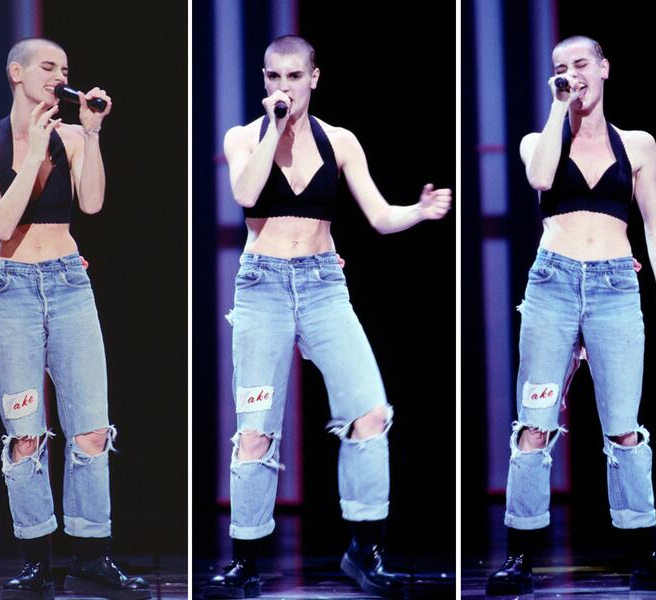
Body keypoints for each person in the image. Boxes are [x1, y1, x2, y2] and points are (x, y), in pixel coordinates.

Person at [204, 35, 451, 599]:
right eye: (272, 78)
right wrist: (271, 127)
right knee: (254, 432)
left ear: (314, 78)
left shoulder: (340, 141)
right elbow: (244, 194)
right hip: (262, 287)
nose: (282, 88)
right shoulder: (244, 136)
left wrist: (419, 211)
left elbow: (381, 215)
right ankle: (245, 561)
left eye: (293, 77)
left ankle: (365, 553)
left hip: (322, 286)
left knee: (370, 413)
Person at [485, 36, 656, 595]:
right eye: (560, 68)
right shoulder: (542, 138)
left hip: (614, 288)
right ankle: (520, 557)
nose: (572, 74)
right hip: (553, 284)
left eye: (581, 65)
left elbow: (655, 223)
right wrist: (559, 105)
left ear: (603, 68)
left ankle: (644, 553)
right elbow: (538, 178)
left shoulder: (639, 145)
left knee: (624, 427)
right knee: (534, 422)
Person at [0, 38, 150, 600]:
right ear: (16, 73)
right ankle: (36, 562)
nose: (59, 77)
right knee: (25, 436)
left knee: (91, 429)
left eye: (64, 70)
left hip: (68, 284)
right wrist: (35, 149)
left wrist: (89, 133)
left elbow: (91, 204)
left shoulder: (70, 137)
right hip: (10, 290)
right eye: (48, 67)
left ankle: (93, 556)